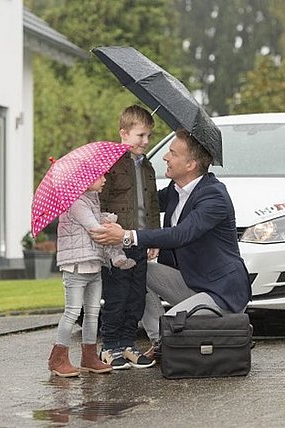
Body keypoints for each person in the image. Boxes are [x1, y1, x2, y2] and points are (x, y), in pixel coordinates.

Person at [91, 128, 251, 360]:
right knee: (136, 268)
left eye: (173, 153)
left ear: (191, 165)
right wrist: (115, 172)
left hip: (221, 292)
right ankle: (162, 344)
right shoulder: (176, 191)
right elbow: (141, 204)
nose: (165, 157)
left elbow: (180, 235)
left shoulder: (214, 197)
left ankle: (167, 342)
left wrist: (127, 235)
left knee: (171, 324)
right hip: (190, 283)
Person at [48, 174, 135, 377]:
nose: (104, 179)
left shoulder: (92, 199)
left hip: (94, 265)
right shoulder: (76, 202)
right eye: (99, 176)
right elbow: (94, 228)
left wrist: (104, 218)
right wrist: (118, 231)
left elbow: (96, 221)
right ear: (84, 180)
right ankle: (57, 358)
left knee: (93, 313)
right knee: (72, 311)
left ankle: (89, 356)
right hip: (77, 266)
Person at [97, 105, 161, 370]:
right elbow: (100, 202)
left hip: (140, 240)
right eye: (140, 136)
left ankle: (127, 343)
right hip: (116, 244)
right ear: (124, 133)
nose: (145, 142)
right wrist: (105, 229)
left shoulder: (147, 167)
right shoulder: (110, 164)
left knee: (136, 295)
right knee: (117, 294)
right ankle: (109, 345)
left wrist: (154, 238)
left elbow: (154, 205)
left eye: (148, 136)